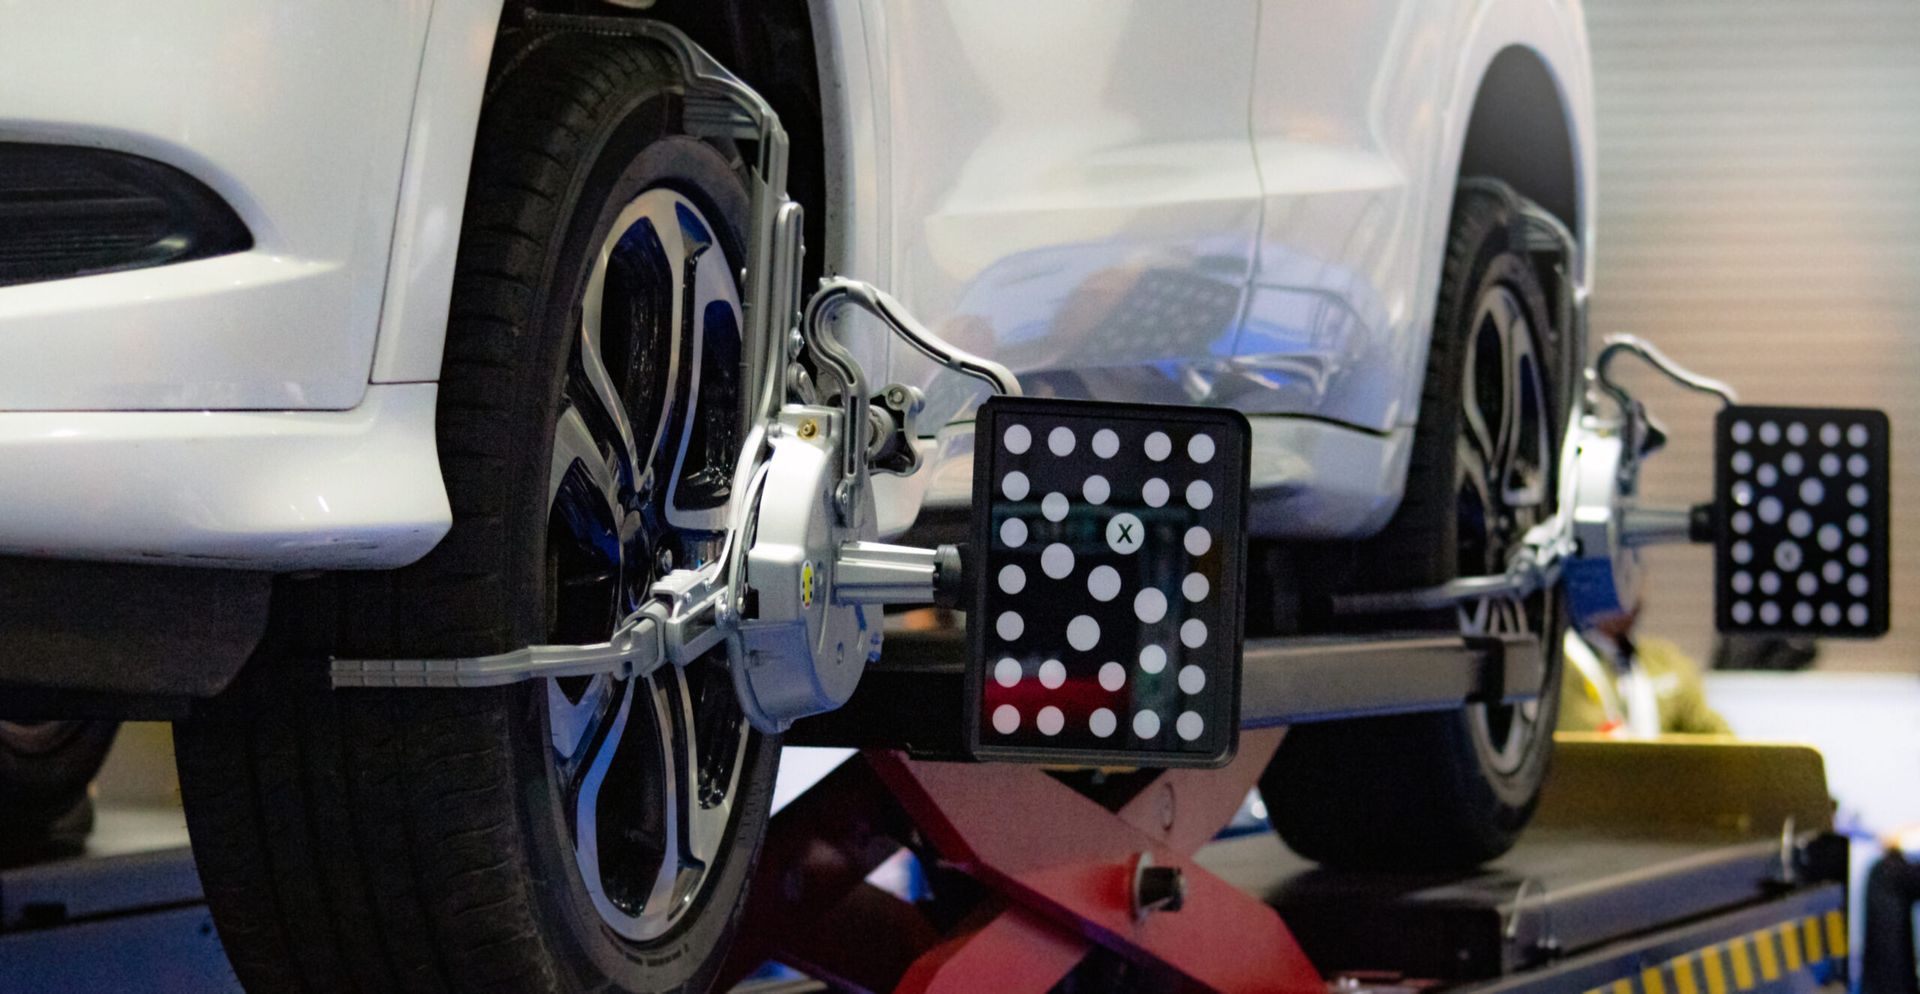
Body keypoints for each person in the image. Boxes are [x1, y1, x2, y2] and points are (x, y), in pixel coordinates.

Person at [1557, 599, 1731, 737]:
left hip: (1662, 776)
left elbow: (1709, 729)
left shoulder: (1664, 659)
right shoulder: (1563, 664)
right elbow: (1584, 738)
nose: (1636, 586)